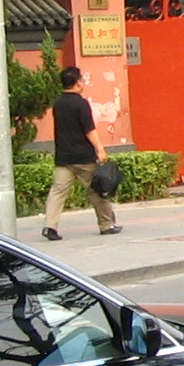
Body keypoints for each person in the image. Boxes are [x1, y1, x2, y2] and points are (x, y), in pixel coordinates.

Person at [42, 67, 117, 241]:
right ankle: (106, 225)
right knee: (96, 191)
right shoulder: (81, 104)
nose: (83, 82)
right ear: (77, 82)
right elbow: (89, 130)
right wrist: (100, 149)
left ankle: (49, 226)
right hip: (84, 157)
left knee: (57, 192)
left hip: (63, 158)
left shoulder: (58, 103)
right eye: (81, 80)